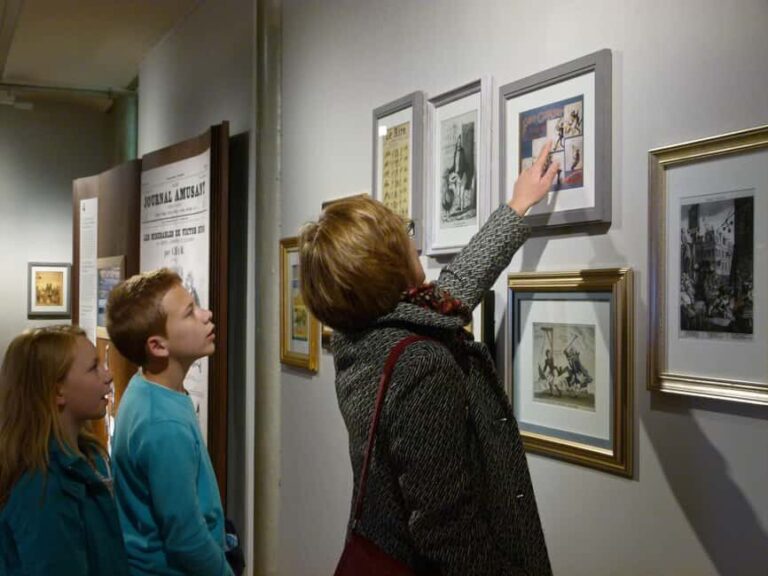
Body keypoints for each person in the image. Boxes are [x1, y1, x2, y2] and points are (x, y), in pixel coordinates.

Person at [299, 141, 560, 575]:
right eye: (403, 235)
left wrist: (516, 207)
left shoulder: (361, 336)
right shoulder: (419, 365)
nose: (414, 242)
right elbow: (447, 530)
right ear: (386, 265)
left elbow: (449, 294)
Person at [106, 269, 235, 576]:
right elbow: (186, 539)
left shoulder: (148, 391)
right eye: (190, 313)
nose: (206, 315)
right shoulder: (162, 424)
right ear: (158, 346)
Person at [0, 325, 129, 576]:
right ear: (58, 390)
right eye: (93, 368)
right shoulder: (43, 486)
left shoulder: (85, 457)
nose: (108, 376)